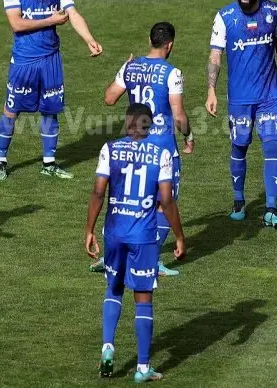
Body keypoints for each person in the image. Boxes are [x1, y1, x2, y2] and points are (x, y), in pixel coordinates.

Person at [85, 104, 186, 382]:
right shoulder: (161, 154)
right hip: (144, 236)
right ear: (149, 126)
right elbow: (166, 201)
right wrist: (179, 236)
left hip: (114, 232)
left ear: (127, 123)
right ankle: (142, 367)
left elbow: (98, 192)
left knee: (113, 287)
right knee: (143, 298)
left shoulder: (109, 149)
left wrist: (89, 230)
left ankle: (108, 346)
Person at [0, 0, 103, 181]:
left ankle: (49, 163)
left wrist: (89, 39)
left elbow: (73, 14)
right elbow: (16, 23)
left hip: (51, 59)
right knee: (11, 110)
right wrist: (50, 20)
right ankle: (0, 161)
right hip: (25, 60)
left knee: (50, 110)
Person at [94, 21, 193, 277]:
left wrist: (123, 69)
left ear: (150, 41)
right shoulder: (172, 73)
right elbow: (179, 115)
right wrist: (189, 135)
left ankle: (113, 255)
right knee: (163, 203)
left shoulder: (131, 67)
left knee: (130, 199)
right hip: (162, 148)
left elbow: (109, 98)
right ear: (169, 45)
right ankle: (149, 260)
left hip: (134, 144)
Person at [205, 0, 277, 228]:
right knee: (240, 146)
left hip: (270, 94)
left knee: (272, 146)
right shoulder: (225, 17)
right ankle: (239, 202)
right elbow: (215, 56)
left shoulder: (274, 11)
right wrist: (211, 90)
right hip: (240, 97)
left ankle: (271, 209)